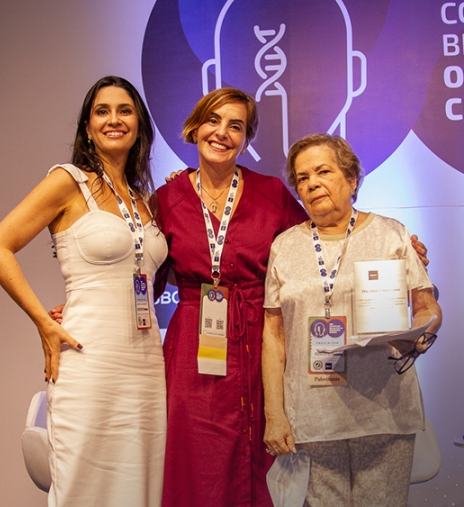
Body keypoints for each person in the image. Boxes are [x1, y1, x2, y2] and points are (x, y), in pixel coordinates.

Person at [0, 76, 167, 507]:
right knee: (84, 485)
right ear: (88, 127)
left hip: (145, 363)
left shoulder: (145, 200)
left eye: (125, 110)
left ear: (139, 124)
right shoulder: (68, 181)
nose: (114, 119)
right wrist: (42, 322)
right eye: (102, 111)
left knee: (142, 485)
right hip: (88, 357)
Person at [261, 133, 442, 507]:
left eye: (323, 171)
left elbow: (426, 307)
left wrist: (421, 335)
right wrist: (274, 413)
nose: (312, 183)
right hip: (311, 417)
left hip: (384, 410)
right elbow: (274, 335)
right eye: (302, 178)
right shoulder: (284, 245)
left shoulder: (391, 234)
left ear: (352, 179)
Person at [152, 88, 309, 507]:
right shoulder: (166, 200)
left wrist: (383, 248)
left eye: (235, 126)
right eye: (213, 120)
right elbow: (140, 276)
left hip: (262, 342)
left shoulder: (271, 193)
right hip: (193, 347)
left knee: (261, 456)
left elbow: (315, 251)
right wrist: (85, 302)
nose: (222, 133)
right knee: (195, 459)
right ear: (194, 128)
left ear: (246, 139)